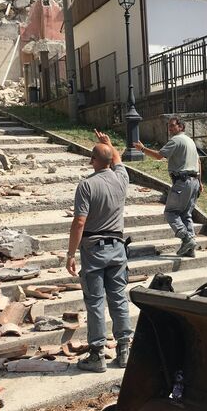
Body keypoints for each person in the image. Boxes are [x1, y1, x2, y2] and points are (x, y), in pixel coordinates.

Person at [66, 130, 133, 372]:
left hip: (94, 250)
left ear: (93, 160)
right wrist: (110, 144)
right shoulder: (121, 179)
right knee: (118, 299)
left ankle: (97, 355)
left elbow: (80, 222)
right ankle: (124, 349)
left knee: (95, 303)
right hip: (118, 250)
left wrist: (70, 254)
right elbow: (118, 161)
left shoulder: (86, 185)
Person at [134, 117, 202, 257]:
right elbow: (198, 162)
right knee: (186, 214)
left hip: (182, 181)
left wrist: (142, 149)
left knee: (170, 212)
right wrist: (200, 182)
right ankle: (190, 249)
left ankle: (187, 238)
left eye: (172, 126)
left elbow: (159, 156)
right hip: (194, 181)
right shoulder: (190, 141)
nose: (170, 129)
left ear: (181, 127)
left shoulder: (176, 140)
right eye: (169, 126)